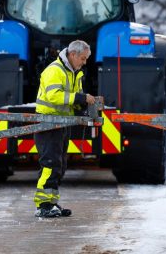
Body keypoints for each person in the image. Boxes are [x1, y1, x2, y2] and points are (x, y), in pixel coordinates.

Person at [34, 40, 96, 218]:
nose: (84, 62)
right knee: (50, 164)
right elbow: (54, 96)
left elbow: (72, 100)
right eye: (83, 59)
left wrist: (82, 107)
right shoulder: (55, 70)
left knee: (59, 165)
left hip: (61, 124)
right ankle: (43, 205)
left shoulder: (74, 73)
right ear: (73, 55)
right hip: (49, 124)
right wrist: (80, 98)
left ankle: (51, 204)